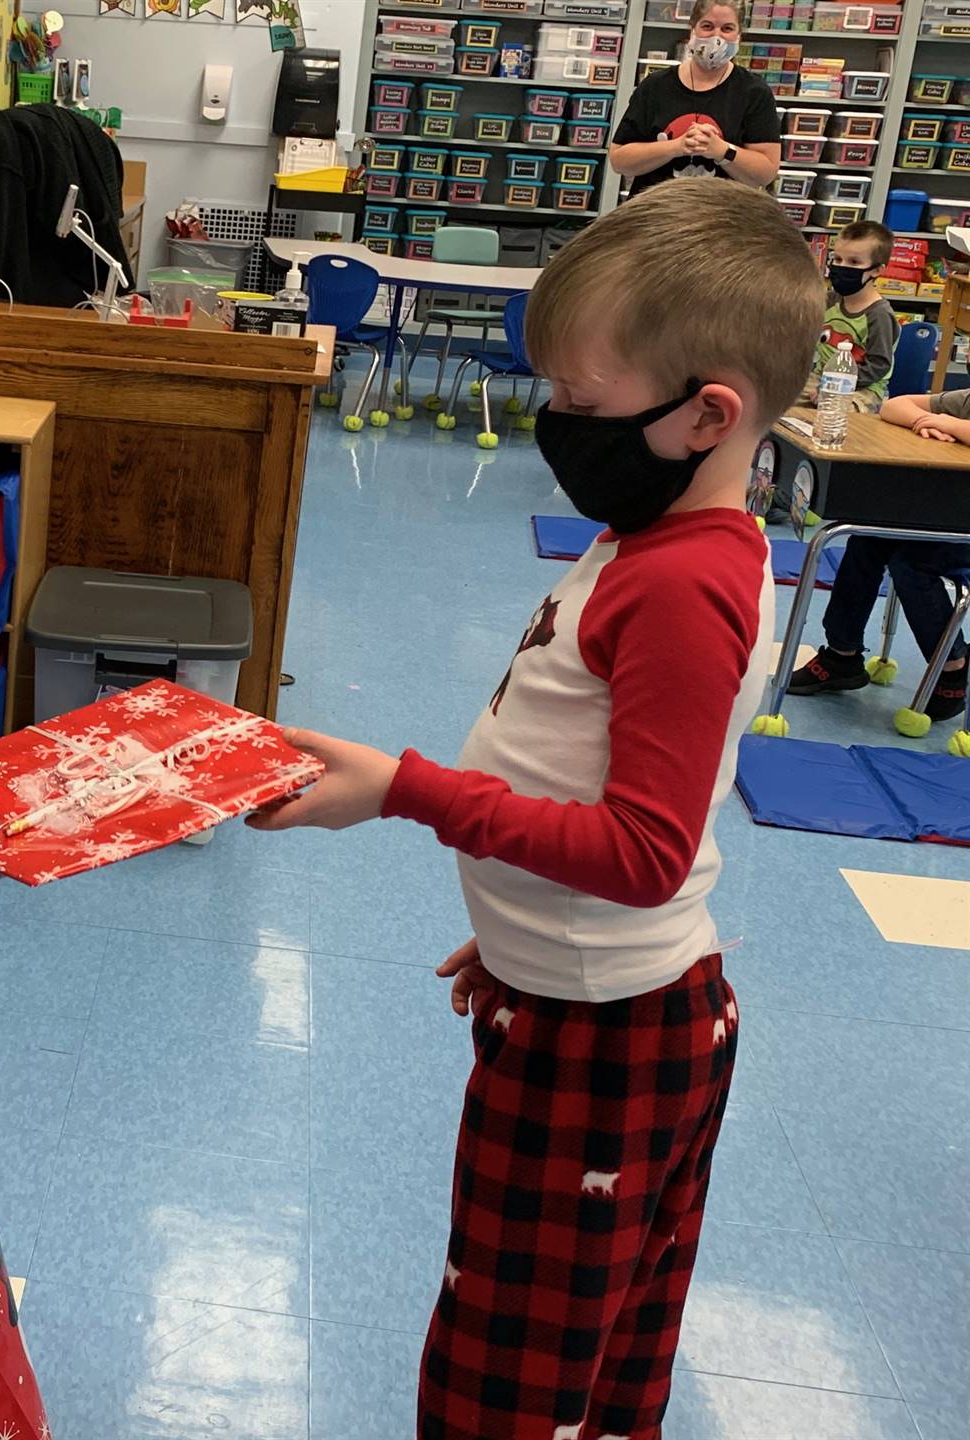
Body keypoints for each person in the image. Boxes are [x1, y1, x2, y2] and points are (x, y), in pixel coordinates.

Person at [251, 178, 823, 1440]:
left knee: (509, 1385)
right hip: (586, 996)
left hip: (612, 1042)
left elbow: (641, 850)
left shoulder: (683, 585)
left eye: (581, 400)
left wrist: (408, 792)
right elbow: (591, 777)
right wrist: (520, 932)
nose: (557, 422)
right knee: (590, 1354)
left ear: (707, 413)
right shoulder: (664, 528)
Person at [788, 386, 970, 723]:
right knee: (867, 536)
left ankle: (952, 669)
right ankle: (842, 654)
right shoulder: (965, 401)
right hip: (950, 514)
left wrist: (948, 424)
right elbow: (893, 406)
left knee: (912, 564)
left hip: (962, 531)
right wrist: (925, 420)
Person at [609, 1, 781, 194]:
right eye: (707, 26)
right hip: (656, 215)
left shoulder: (754, 92)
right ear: (692, 30)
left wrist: (723, 151)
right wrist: (675, 147)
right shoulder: (655, 86)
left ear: (739, 35)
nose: (717, 37)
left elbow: (765, 173)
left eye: (727, 28)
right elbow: (619, 161)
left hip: (724, 216)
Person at [797, 220, 899, 414]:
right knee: (779, 400)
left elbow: (879, 366)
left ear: (877, 270)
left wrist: (836, 384)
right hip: (820, 379)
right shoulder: (831, 300)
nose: (842, 267)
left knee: (833, 410)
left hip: (863, 389)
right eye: (837, 259)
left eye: (854, 262)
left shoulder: (879, 315)